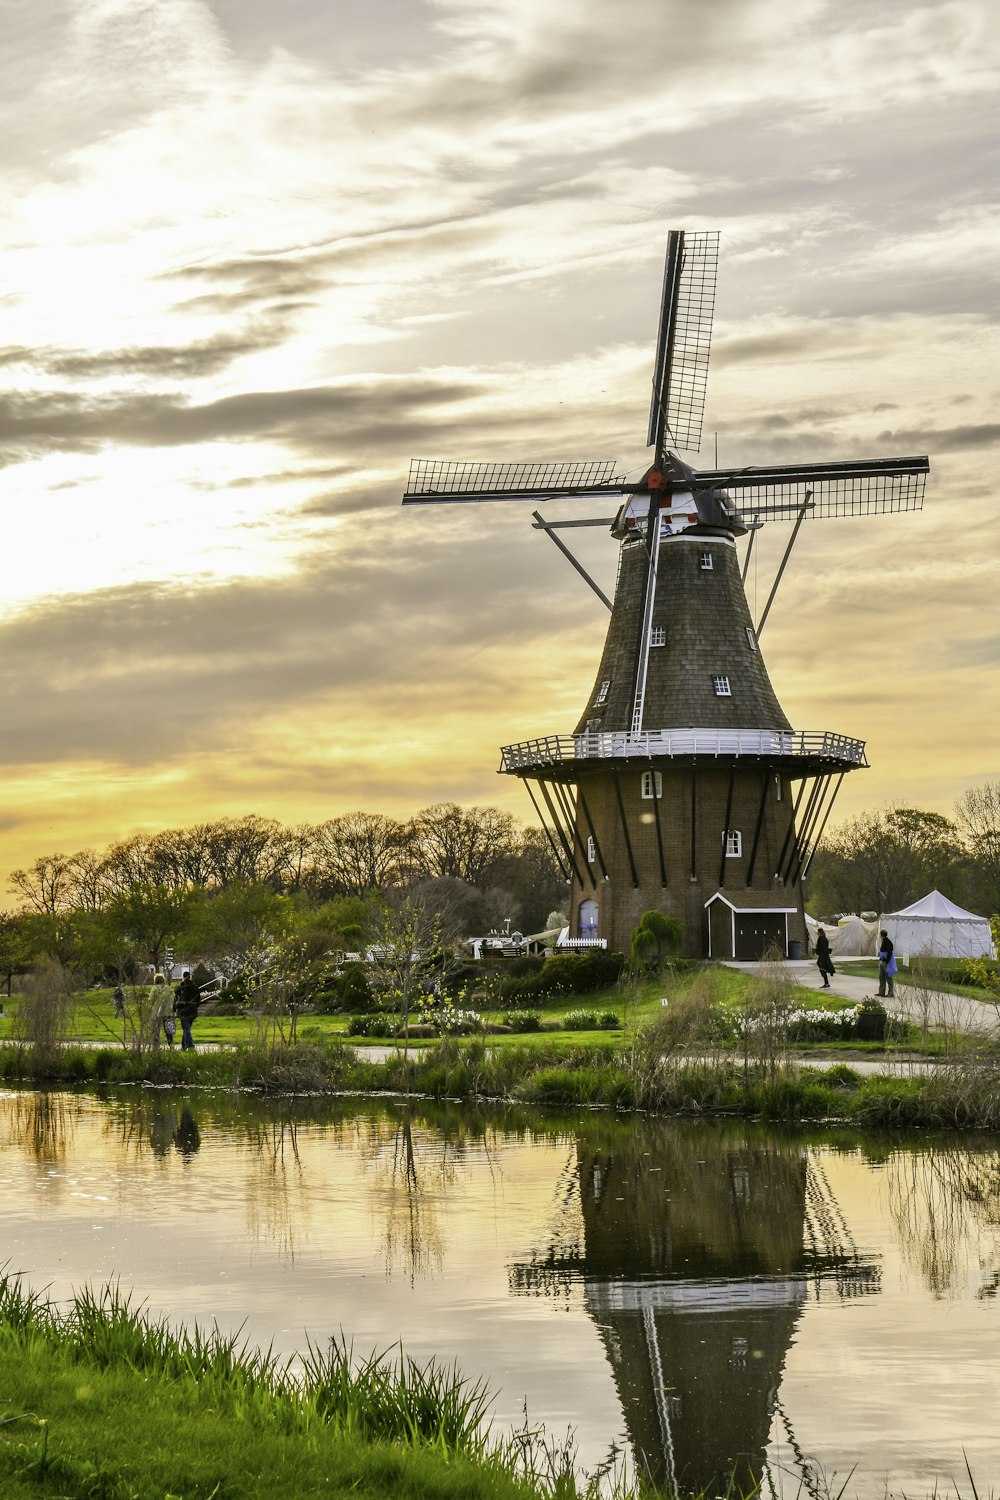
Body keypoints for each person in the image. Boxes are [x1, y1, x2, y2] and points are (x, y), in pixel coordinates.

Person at [173, 970, 202, 1051]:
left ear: (183, 977)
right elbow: (199, 999)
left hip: (183, 1010)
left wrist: (175, 1008)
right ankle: (184, 1045)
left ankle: (190, 1045)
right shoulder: (194, 987)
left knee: (186, 1029)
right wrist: (195, 1007)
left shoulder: (181, 987)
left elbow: (175, 998)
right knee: (187, 1029)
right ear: (190, 976)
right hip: (192, 1010)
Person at [878, 930, 896, 998]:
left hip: (886, 962)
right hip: (882, 961)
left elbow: (889, 953)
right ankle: (881, 992)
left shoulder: (888, 942)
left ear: (881, 935)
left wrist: (887, 961)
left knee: (888, 978)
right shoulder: (884, 941)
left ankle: (890, 993)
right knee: (881, 977)